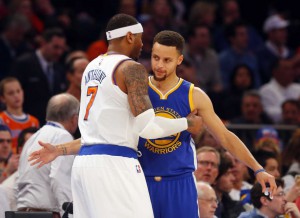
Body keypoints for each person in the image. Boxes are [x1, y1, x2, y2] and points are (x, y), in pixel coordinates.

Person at [29, 14, 203, 218]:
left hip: (84, 165)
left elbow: (98, 133)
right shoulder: (131, 68)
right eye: (139, 38)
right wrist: (187, 122)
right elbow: (149, 128)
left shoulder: (90, 67)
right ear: (129, 36)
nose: (141, 45)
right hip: (114, 165)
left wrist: (60, 150)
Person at [16, 93, 79, 217]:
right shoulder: (63, 136)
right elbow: (59, 178)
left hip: (22, 212)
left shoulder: (32, 138)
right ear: (74, 119)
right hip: (46, 213)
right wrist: (68, 214)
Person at [0, 77, 40, 153]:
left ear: (23, 92)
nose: (16, 95)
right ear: (2, 98)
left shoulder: (34, 121)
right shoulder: (2, 120)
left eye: (18, 91)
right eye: (11, 93)